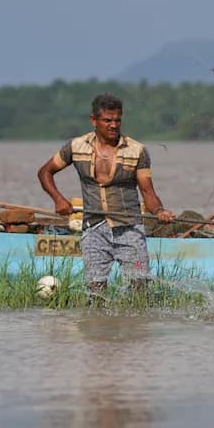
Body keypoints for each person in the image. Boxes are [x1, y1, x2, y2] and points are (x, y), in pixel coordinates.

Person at [38, 92, 175, 298]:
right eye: (107, 120)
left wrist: (159, 211)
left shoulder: (137, 151)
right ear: (94, 120)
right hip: (93, 229)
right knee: (95, 291)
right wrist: (58, 199)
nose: (113, 125)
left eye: (117, 120)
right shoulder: (76, 147)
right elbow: (45, 172)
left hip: (128, 228)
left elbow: (148, 192)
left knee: (140, 287)